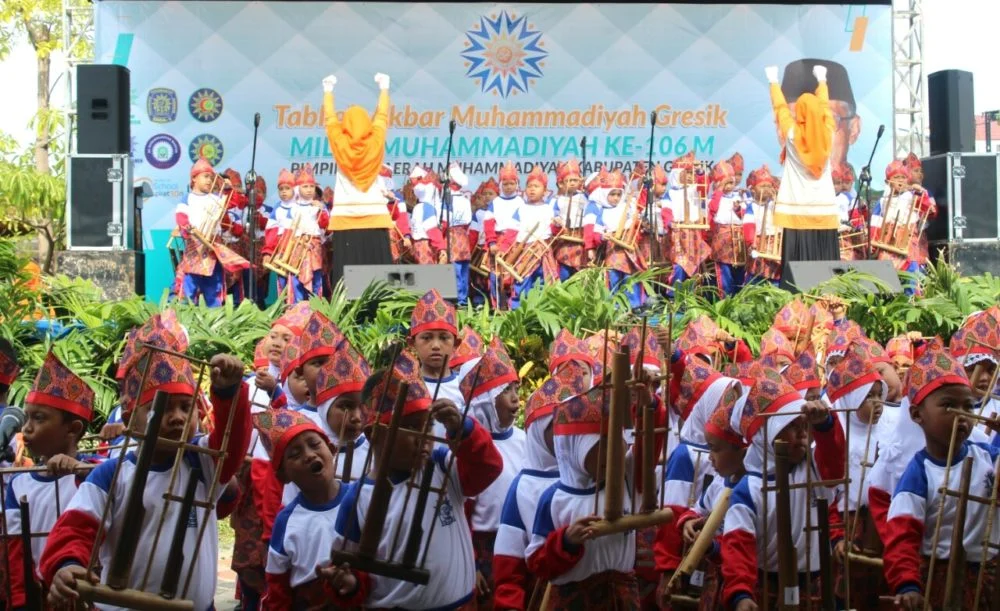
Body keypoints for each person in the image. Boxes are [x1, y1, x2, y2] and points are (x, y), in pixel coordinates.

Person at [41, 348, 251, 610]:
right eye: (160, 408)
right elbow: (74, 528)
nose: (178, 417)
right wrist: (68, 564)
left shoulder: (203, 462)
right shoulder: (110, 475)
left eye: (187, 408)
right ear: (131, 420)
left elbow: (234, 441)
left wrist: (229, 393)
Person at [323, 353, 503, 610]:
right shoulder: (358, 499)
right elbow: (348, 569)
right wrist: (349, 583)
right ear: (374, 434)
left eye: (427, 426)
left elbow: (489, 468)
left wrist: (462, 429)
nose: (424, 437)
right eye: (410, 427)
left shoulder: (441, 465)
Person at [882, 339, 999, 611]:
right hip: (938, 579)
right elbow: (901, 537)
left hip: (989, 575)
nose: (962, 415)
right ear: (916, 415)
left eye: (968, 407)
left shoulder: (987, 456)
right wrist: (907, 585)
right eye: (948, 406)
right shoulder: (919, 473)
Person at [721, 363, 846, 610]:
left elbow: (834, 460)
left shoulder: (812, 466)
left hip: (816, 580)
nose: (803, 435)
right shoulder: (750, 490)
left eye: (804, 427)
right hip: (769, 584)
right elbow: (737, 545)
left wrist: (824, 425)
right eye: (792, 428)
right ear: (766, 436)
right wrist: (741, 593)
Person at [492, 336, 591, 611]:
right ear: (537, 432)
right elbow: (508, 560)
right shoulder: (523, 486)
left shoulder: (591, 474)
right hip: (540, 595)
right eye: (556, 428)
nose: (565, 437)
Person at [4, 352, 97, 609]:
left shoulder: (93, 477)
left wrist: (81, 471)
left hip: (82, 592)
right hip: (36, 596)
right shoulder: (18, 483)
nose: (27, 428)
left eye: (39, 418)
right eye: (27, 417)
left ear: (73, 429)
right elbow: (14, 550)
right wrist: (22, 600)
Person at [657, 383, 748, 610]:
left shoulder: (748, 483)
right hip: (701, 567)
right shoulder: (691, 458)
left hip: (734, 574)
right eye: (724, 402)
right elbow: (684, 511)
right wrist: (688, 522)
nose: (730, 409)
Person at [259, 409, 348, 609]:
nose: (309, 455)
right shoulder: (286, 521)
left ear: (331, 448)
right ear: (284, 476)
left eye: (315, 444)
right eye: (295, 454)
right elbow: (277, 587)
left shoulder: (359, 501)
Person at [463, 338, 522, 611]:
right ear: (484, 401)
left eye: (515, 388)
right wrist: (470, 563)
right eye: (505, 390)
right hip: (484, 548)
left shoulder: (525, 440)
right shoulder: (472, 449)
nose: (515, 397)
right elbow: (463, 511)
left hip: (520, 544)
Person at [322, 72, 394, 287]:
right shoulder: (376, 140)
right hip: (375, 215)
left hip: (346, 217)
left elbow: (330, 120)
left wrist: (328, 93)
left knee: (348, 272)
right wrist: (384, 90)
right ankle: (380, 309)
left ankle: (349, 311)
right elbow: (382, 117)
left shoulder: (339, 142)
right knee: (378, 271)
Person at [765, 62, 841, 262]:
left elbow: (780, 108)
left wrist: (773, 82)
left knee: (797, 268)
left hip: (796, 210)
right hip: (824, 209)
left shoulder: (792, 134)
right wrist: (822, 81)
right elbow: (824, 107)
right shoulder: (829, 134)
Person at [175, 157, 250, 307]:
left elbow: (237, 203)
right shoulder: (188, 198)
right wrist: (188, 229)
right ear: (194, 178)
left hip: (212, 248)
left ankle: (214, 320)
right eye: (205, 177)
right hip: (194, 248)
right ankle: (185, 318)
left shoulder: (216, 199)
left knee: (214, 287)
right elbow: (181, 217)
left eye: (211, 177)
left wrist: (228, 189)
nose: (209, 181)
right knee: (190, 286)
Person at [779, 59, 861, 169]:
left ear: (854, 130)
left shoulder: (863, 186)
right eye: (797, 122)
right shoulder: (771, 185)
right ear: (780, 133)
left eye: (825, 120)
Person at [508, 166, 559, 309]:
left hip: (544, 250)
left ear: (545, 190)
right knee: (522, 280)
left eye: (536, 186)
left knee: (544, 281)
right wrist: (505, 248)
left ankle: (542, 310)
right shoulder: (521, 208)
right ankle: (518, 311)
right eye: (529, 186)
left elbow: (555, 230)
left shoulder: (550, 208)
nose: (532, 189)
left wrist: (558, 225)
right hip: (525, 250)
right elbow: (512, 232)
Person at [409, 288, 466, 410]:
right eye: (427, 337)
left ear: (456, 344)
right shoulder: (406, 387)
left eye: (444, 337)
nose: (436, 345)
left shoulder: (465, 387)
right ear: (412, 343)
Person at [706, 160, 747, 297]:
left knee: (740, 271)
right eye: (726, 183)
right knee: (724, 272)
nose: (729, 186)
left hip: (738, 239)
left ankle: (738, 298)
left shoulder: (740, 196)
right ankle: (725, 300)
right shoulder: (715, 197)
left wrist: (738, 209)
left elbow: (745, 215)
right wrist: (718, 192)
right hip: (722, 239)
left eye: (731, 182)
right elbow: (712, 210)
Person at [442, 162, 475, 306]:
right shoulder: (465, 200)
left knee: (454, 269)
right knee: (463, 269)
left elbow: (444, 221)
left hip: (451, 235)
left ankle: (455, 300)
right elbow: (468, 221)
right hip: (463, 236)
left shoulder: (447, 200)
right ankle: (462, 299)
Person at [550, 159, 589, 280]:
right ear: (561, 183)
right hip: (565, 238)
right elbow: (553, 216)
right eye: (569, 180)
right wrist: (557, 222)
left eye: (575, 180)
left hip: (580, 237)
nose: (572, 183)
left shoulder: (585, 197)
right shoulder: (558, 200)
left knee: (581, 271)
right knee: (564, 271)